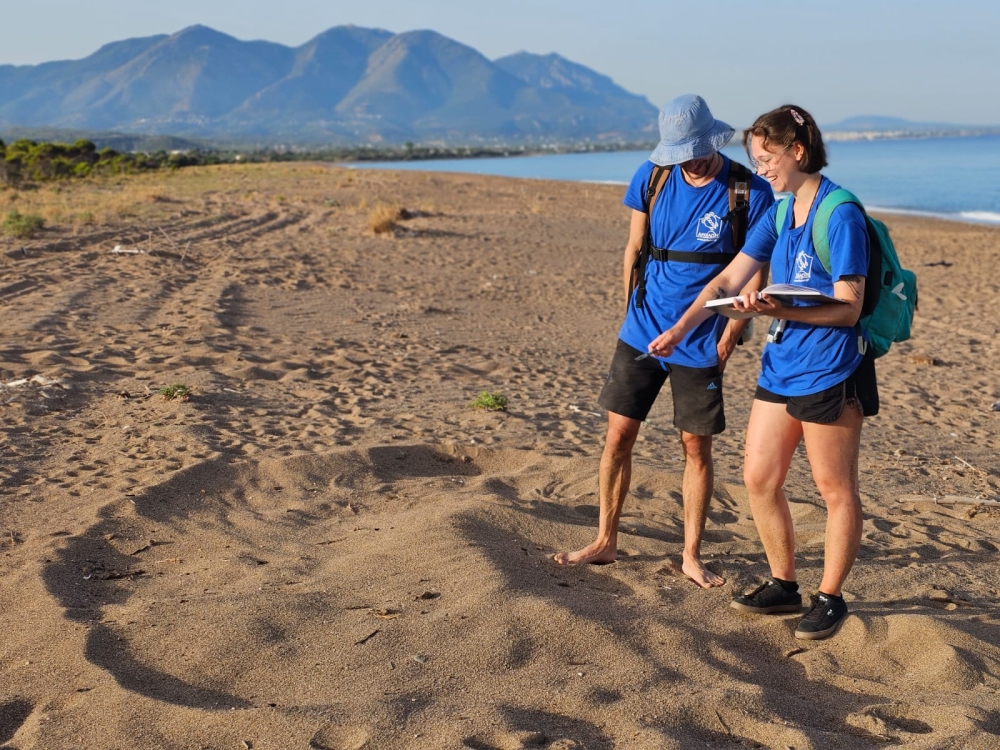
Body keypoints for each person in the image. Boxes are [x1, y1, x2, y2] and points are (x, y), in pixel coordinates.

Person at [645, 104, 879, 638]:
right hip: (782, 365)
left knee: (834, 488)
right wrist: (685, 326)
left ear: (798, 152)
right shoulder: (778, 212)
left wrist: (775, 309)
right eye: (755, 158)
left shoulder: (837, 212)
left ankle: (830, 596)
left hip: (830, 366)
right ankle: (784, 584)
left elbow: (849, 306)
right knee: (759, 478)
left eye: (767, 158)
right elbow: (731, 278)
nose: (761, 168)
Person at [553, 94, 774, 588]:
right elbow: (635, 246)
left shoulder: (747, 190)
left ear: (711, 139)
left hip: (704, 336)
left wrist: (734, 332)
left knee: (695, 446)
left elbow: (756, 269)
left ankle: (690, 555)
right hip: (641, 328)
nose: (689, 162)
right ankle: (605, 540)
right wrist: (629, 310)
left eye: (695, 151)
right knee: (618, 437)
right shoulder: (652, 176)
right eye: (680, 153)